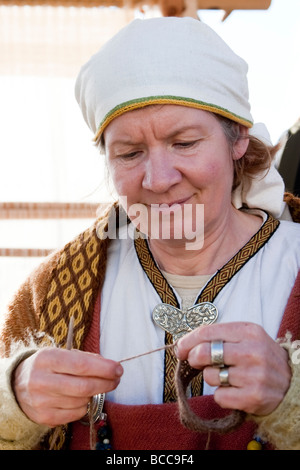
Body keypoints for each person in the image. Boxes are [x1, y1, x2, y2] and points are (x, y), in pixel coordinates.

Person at [0, 16, 300, 451]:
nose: (158, 179)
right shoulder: (54, 292)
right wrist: (13, 396)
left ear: (237, 140)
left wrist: (292, 397)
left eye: (184, 143)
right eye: (130, 152)